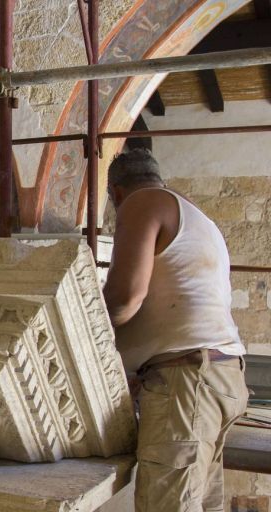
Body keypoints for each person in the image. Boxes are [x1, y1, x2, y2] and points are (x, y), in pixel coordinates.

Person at [103, 148, 247, 512]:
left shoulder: (141, 203)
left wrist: (91, 335)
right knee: (199, 504)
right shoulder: (195, 214)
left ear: (116, 193)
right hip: (220, 374)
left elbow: (125, 297)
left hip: (188, 382)